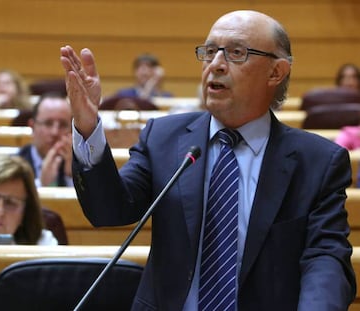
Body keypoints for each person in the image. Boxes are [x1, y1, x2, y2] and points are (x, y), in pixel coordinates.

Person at [60, 9, 356, 310]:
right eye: (210, 52)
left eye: (236, 53)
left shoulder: (317, 162)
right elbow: (109, 211)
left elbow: (326, 257)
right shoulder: (164, 138)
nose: (215, 65)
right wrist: (87, 127)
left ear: (275, 72)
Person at [18, 92, 73, 187]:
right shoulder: (15, 163)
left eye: (63, 125)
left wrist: (73, 177)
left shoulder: (82, 165)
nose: (55, 132)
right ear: (32, 126)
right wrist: (42, 185)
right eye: (48, 123)